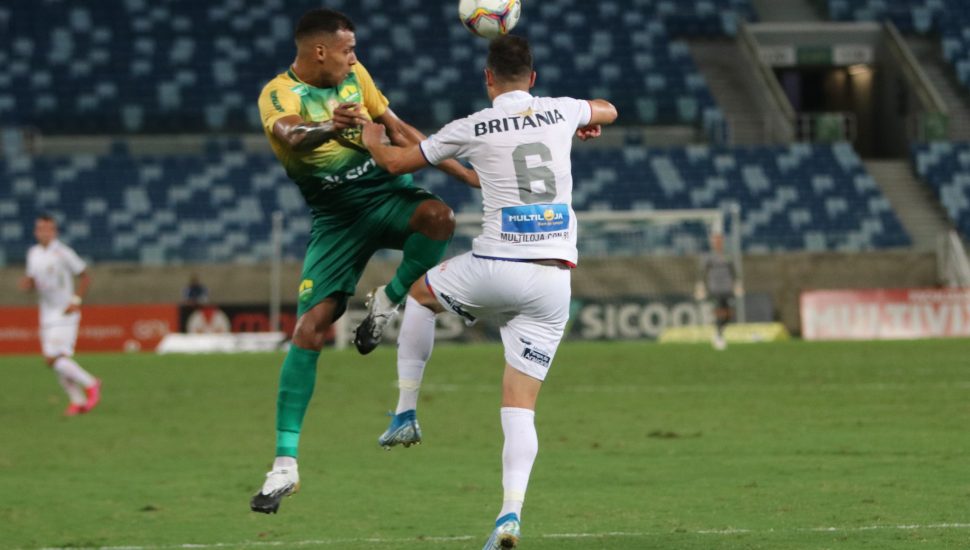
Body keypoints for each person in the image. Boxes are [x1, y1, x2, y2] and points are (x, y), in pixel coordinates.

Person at [360, 35, 617, 550]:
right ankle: (509, 514)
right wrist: (586, 122)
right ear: (533, 78)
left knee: (420, 295)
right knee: (520, 408)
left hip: (497, 265)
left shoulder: (473, 125)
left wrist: (371, 137)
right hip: (553, 283)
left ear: (488, 78)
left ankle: (406, 412)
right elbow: (608, 109)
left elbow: (395, 163)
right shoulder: (561, 109)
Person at [250, 8, 478, 514]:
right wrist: (330, 127)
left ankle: (387, 302)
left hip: (387, 195)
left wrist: (466, 175)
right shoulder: (278, 93)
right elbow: (292, 135)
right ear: (319, 51)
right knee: (311, 328)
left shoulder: (357, 78)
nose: (354, 58)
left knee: (439, 217)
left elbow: (399, 130)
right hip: (336, 220)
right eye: (347, 49)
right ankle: (284, 465)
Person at [18, 214, 101, 416]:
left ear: (54, 231)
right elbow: (33, 280)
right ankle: (77, 401)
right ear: (36, 232)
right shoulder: (33, 253)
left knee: (52, 358)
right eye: (40, 229)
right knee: (59, 361)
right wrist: (28, 284)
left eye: (48, 229)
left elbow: (85, 277)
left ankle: (91, 383)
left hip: (65, 312)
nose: (44, 232)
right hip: (46, 312)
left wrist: (76, 301)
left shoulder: (63, 253)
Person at [694, 231, 741, 350]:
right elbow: (702, 272)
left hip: (727, 288)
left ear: (722, 242)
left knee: (729, 313)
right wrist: (700, 286)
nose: (717, 243)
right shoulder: (708, 256)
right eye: (715, 241)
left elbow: (733, 271)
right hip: (715, 288)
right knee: (719, 310)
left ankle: (718, 333)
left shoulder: (728, 255)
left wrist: (737, 284)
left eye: (719, 240)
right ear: (712, 243)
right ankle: (719, 336)